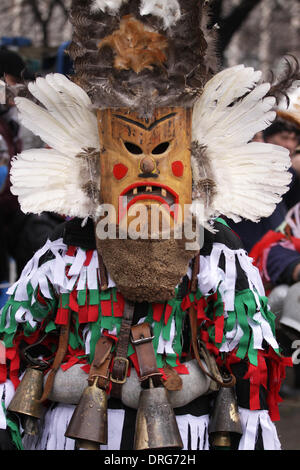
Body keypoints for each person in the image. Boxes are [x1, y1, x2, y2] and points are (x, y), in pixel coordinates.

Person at [0, 0, 294, 451]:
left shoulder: (218, 258)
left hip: (184, 437)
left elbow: (247, 359)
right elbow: (16, 344)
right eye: (131, 150)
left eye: (162, 152)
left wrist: (201, 385)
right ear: (96, 167)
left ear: (194, 166)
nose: (149, 170)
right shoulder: (63, 254)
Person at [0, 49, 63, 307]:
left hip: (11, 213)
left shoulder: (10, 119)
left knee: (39, 239)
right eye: (17, 82)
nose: (21, 90)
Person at [227, 113, 300, 253]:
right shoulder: (246, 163)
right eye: (284, 137)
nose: (290, 145)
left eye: (295, 139)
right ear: (268, 138)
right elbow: (269, 185)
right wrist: (292, 169)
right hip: (245, 253)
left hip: (275, 254)